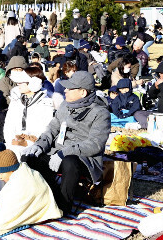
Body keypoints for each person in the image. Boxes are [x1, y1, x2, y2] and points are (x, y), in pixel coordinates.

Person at [23, 71, 111, 214]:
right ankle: (48, 197)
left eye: (70, 89)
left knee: (69, 161)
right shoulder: (65, 105)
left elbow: (95, 144)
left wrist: (64, 153)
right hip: (57, 152)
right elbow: (52, 129)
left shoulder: (100, 113)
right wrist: (39, 145)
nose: (65, 90)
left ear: (83, 92)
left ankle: (63, 207)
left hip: (84, 159)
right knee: (29, 158)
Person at [0, 145, 62, 236]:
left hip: (40, 211)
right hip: (45, 211)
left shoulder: (17, 183)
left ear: (10, 169)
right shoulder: (27, 171)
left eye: (1, 173)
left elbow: (0, 219)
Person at [3, 68, 54, 158]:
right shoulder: (16, 101)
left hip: (34, 147)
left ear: (34, 83)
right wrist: (12, 141)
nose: (18, 84)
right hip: (13, 145)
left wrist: (27, 141)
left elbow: (45, 130)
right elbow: (8, 125)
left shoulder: (46, 103)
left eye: (22, 81)